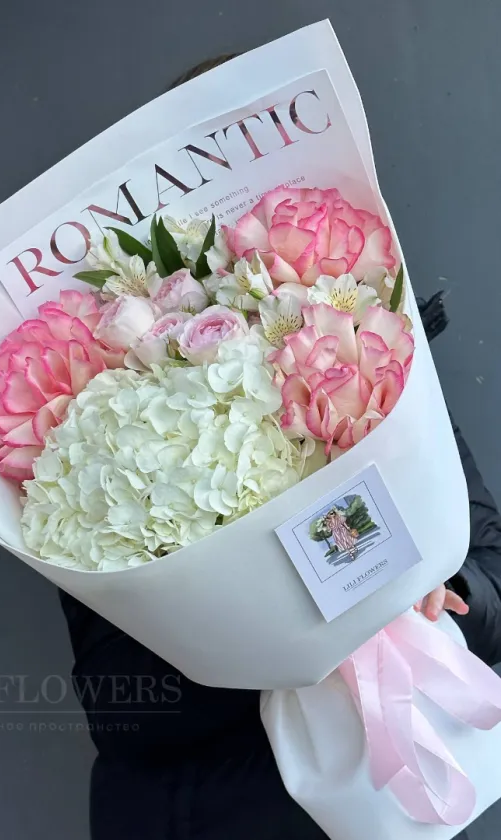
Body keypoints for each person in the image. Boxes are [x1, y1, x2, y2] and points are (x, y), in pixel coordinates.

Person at [58, 60, 501, 840]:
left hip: (409, 803)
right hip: (214, 814)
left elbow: (491, 569)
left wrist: (437, 586)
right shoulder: (112, 411)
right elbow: (122, 709)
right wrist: (296, 623)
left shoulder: (370, 360)